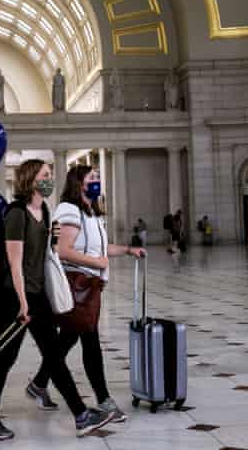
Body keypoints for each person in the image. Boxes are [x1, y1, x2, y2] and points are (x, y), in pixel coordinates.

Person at [0, 159, 114, 441]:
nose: (50, 179)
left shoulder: (45, 212)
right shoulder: (16, 214)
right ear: (30, 179)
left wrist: (53, 241)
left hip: (38, 295)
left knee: (53, 356)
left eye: (50, 175)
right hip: (15, 297)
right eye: (45, 175)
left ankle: (81, 415)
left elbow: (45, 255)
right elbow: (14, 263)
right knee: (5, 358)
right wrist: (23, 304)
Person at [29, 165, 144, 424]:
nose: (97, 181)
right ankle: (104, 401)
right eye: (92, 178)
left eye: (98, 177)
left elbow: (101, 248)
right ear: (78, 182)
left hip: (90, 287)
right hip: (77, 285)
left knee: (68, 338)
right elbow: (62, 250)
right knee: (90, 343)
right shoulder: (68, 210)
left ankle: (38, 383)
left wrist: (127, 250)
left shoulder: (91, 212)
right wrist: (97, 263)